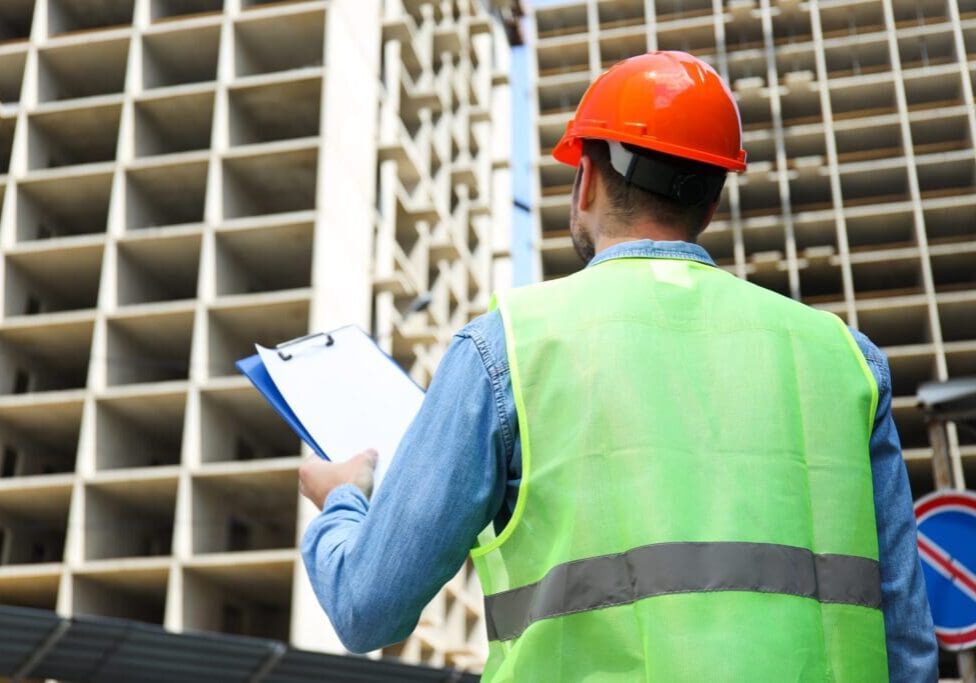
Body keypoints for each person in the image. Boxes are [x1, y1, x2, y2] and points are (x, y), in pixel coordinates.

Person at [298, 51, 938, 681]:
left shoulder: (507, 349)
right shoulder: (845, 359)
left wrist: (344, 500)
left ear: (588, 179)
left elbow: (367, 608)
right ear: (710, 205)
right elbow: (907, 647)